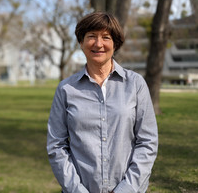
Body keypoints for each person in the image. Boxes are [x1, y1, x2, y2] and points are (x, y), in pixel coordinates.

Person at [47, 11, 158, 193]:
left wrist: (126, 189)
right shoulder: (66, 89)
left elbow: (147, 142)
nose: (98, 44)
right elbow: (56, 146)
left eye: (106, 37)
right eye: (91, 36)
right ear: (81, 43)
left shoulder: (136, 84)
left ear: (115, 44)